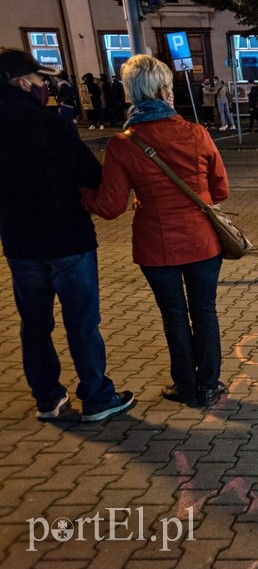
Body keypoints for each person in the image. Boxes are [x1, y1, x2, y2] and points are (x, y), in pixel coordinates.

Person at [81, 54, 229, 408]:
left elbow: (110, 206)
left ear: (132, 93)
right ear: (164, 90)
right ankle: (209, 384)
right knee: (205, 310)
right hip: (202, 240)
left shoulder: (123, 144)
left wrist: (82, 195)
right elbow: (220, 189)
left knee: (174, 315)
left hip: (156, 245)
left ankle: (186, 386)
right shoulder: (196, 133)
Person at [0, 48, 134, 422]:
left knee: (35, 324)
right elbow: (90, 173)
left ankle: (47, 398)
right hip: (67, 238)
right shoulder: (46, 124)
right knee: (82, 322)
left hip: (20, 243)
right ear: (23, 82)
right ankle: (96, 396)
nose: (46, 87)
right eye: (42, 80)